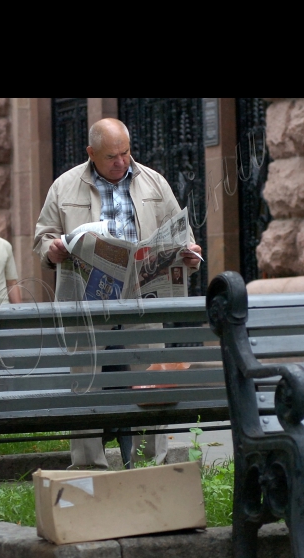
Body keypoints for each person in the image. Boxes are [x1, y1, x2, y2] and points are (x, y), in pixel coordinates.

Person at [34, 118, 203, 470]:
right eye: (112, 156)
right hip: (86, 305)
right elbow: (41, 238)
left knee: (149, 383)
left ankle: (149, 468)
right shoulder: (64, 187)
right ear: (91, 153)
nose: (121, 162)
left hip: (142, 303)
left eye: (126, 153)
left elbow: (180, 235)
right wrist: (52, 250)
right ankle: (88, 470)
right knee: (87, 385)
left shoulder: (154, 182)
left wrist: (188, 253)